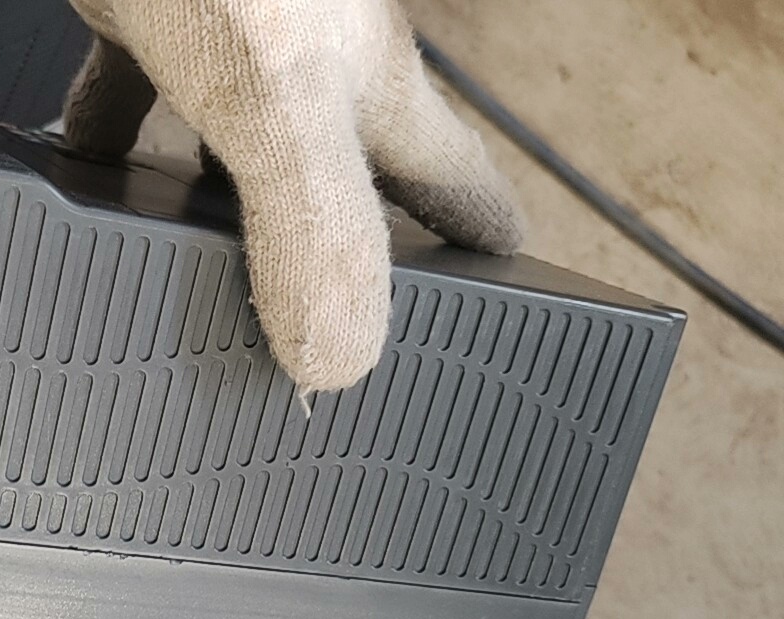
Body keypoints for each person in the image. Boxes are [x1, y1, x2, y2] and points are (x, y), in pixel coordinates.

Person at [63, 0, 523, 399]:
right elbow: (329, 334)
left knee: (470, 198)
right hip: (280, 34)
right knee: (453, 191)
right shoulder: (270, 50)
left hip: (316, 35)